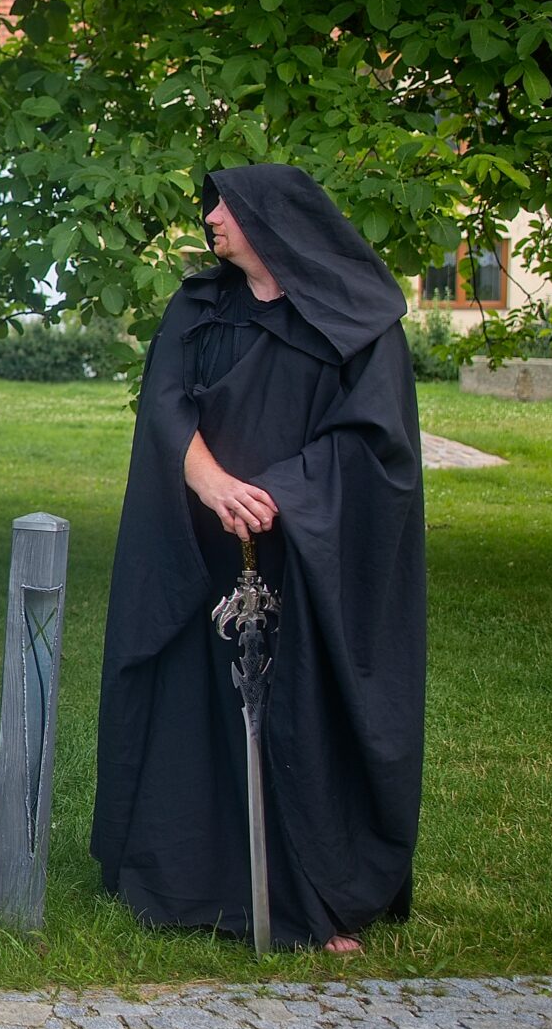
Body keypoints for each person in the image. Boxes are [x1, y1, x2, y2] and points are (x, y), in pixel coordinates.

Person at [92, 165, 425, 954]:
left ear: (272, 219)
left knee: (300, 713)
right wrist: (212, 484)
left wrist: (280, 495)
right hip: (201, 546)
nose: (210, 216)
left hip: (308, 556)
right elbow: (165, 407)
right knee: (194, 705)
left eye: (225, 205)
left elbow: (377, 445)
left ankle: (316, 895)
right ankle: (190, 881)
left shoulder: (358, 322)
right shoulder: (198, 309)